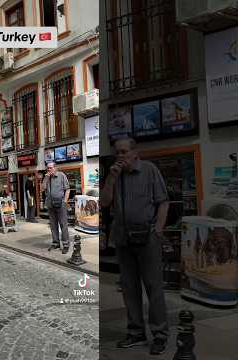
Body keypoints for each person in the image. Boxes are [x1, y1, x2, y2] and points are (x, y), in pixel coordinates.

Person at [101, 137, 169, 355]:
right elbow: (104, 202)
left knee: (153, 287)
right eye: (117, 153)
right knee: (130, 288)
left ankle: (160, 334)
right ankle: (136, 333)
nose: (120, 156)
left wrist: (158, 231)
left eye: (123, 152)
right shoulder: (115, 174)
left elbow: (163, 202)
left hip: (148, 238)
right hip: (123, 238)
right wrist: (111, 178)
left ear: (135, 153)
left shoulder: (149, 171)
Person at [41, 162, 71, 254]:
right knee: (53, 225)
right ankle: (56, 243)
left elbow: (67, 189)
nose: (49, 170)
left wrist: (65, 201)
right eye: (47, 168)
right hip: (50, 204)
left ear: (55, 168)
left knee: (63, 224)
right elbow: (42, 189)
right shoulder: (47, 177)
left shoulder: (61, 176)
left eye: (50, 168)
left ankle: (66, 244)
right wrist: (46, 178)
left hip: (61, 204)